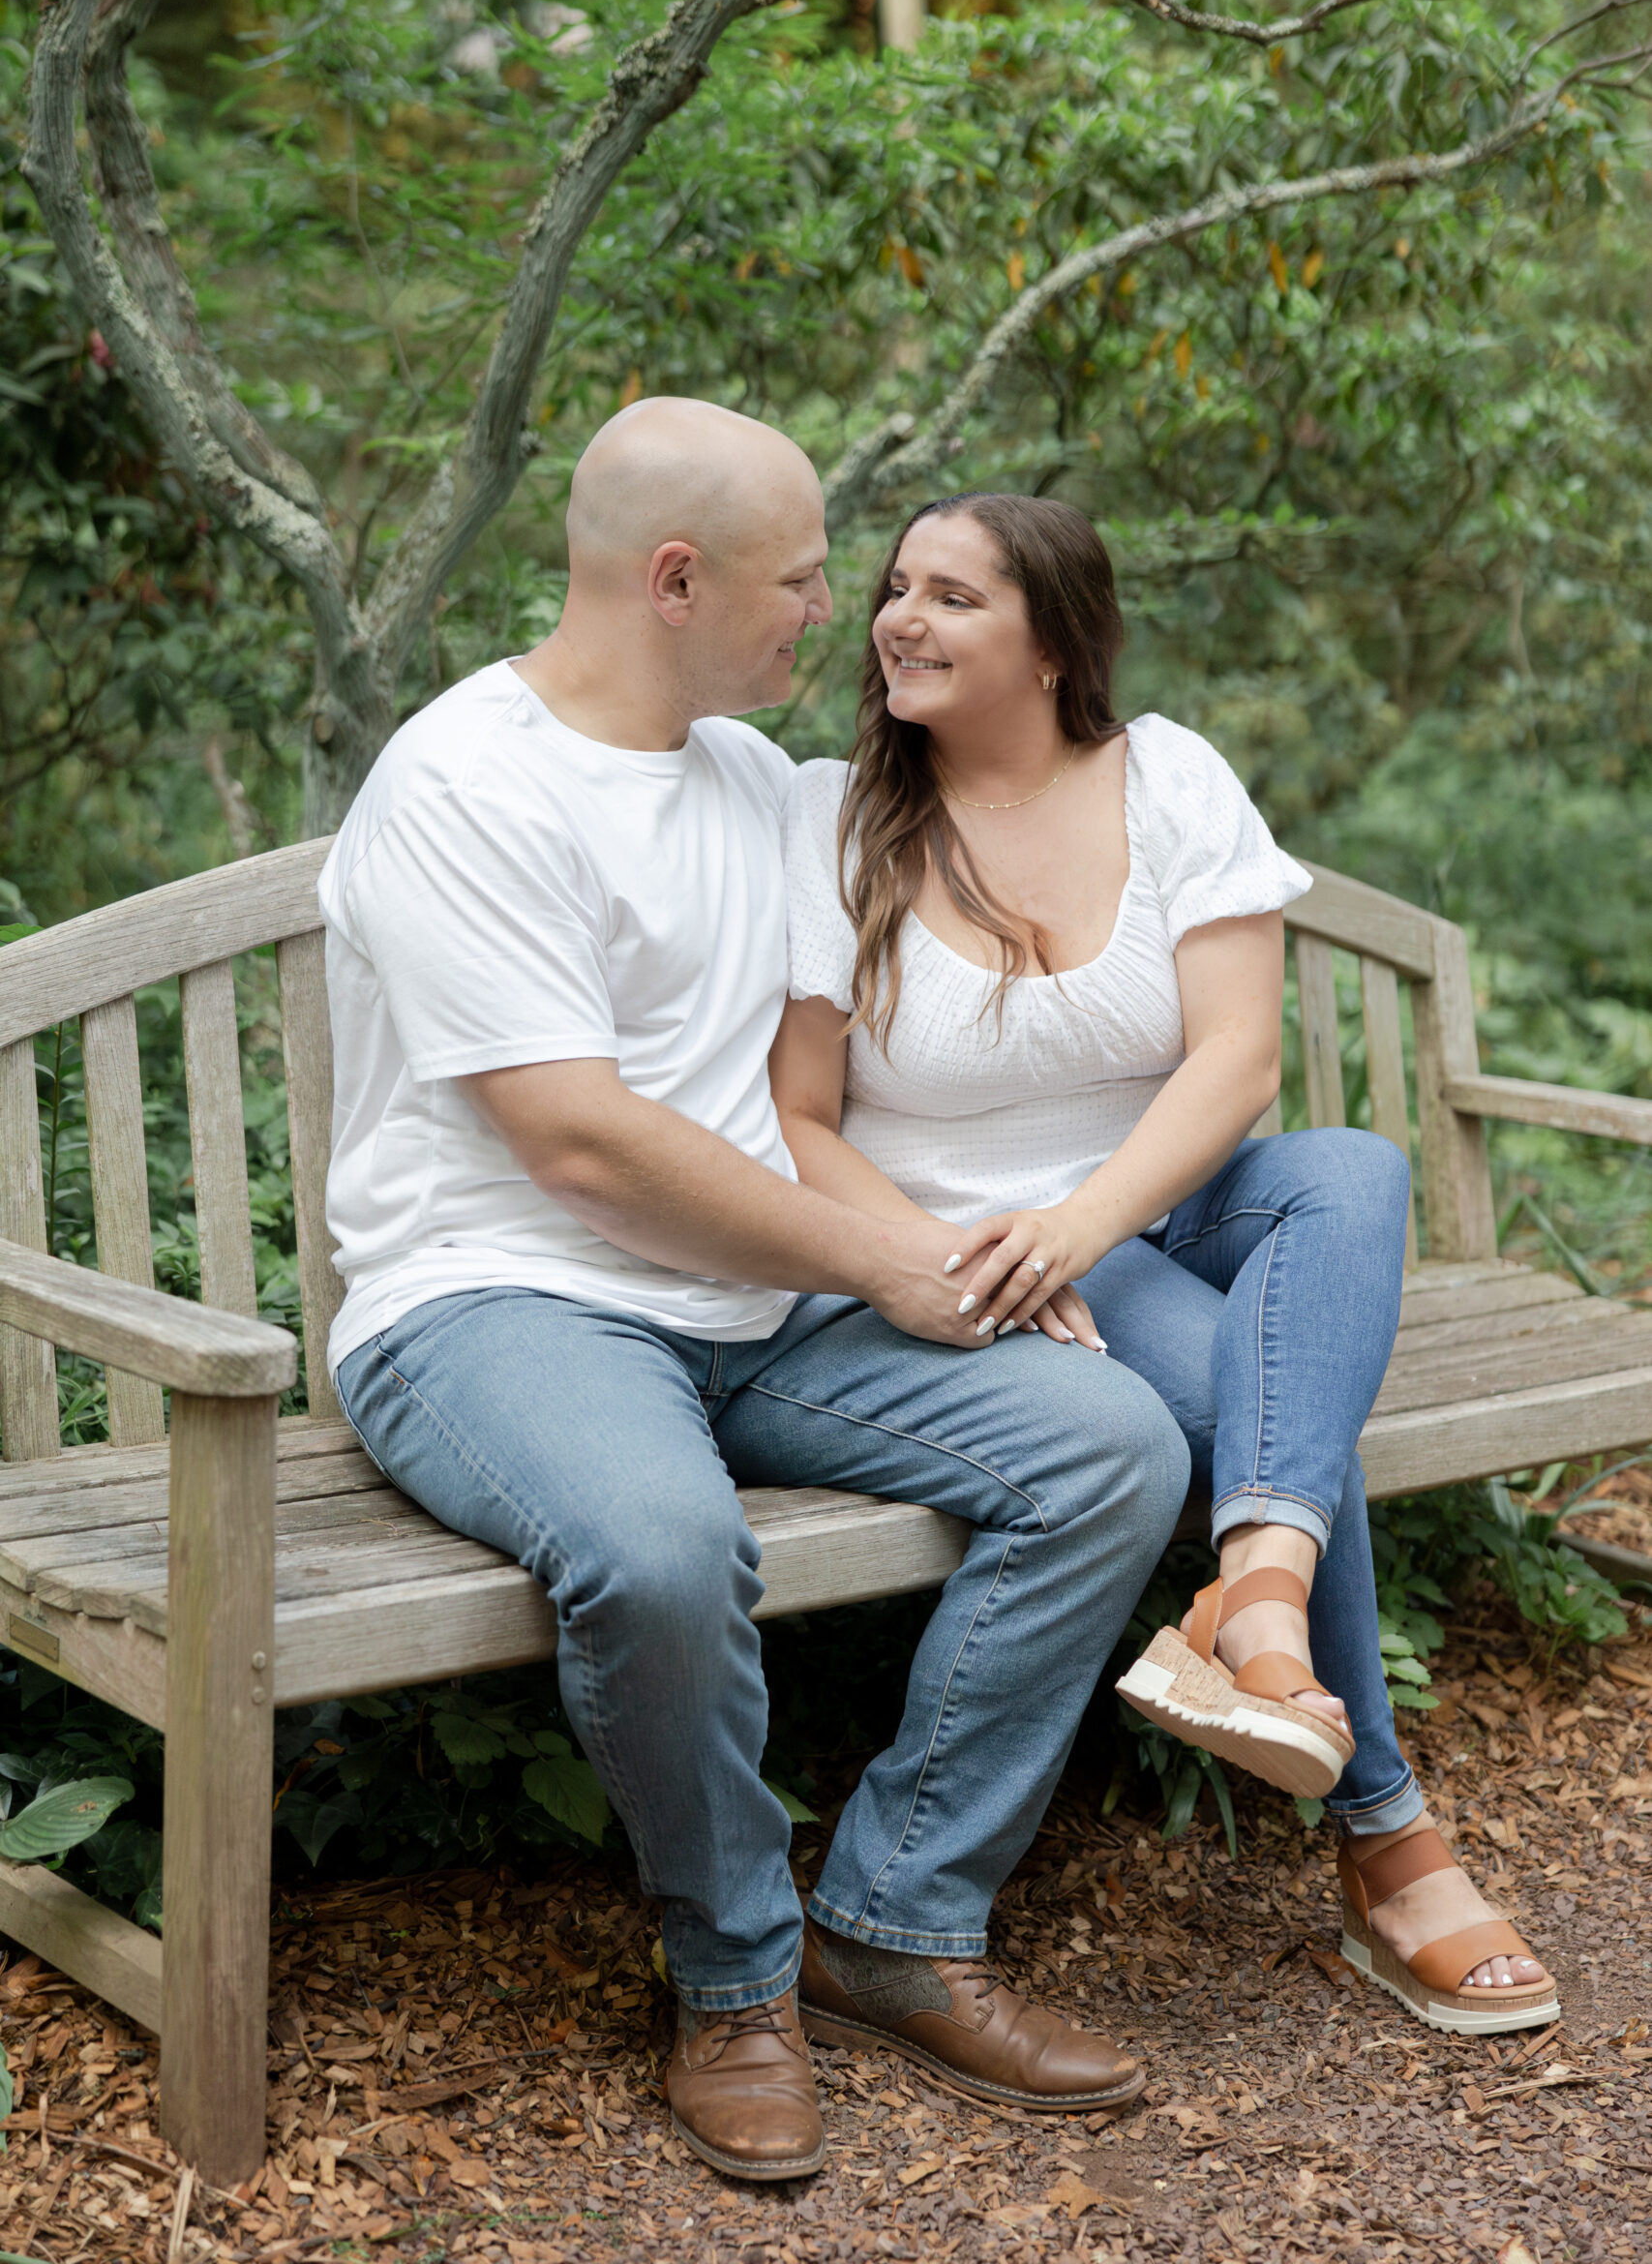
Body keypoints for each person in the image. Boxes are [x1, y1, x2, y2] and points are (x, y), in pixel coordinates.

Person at [318, 402, 1195, 2184]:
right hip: (500, 1303)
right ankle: (736, 1978)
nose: (836, 614)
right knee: (656, 1546)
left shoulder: (751, 777)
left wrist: (996, 1246)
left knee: (1111, 1444)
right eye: (804, 577)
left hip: (754, 1313)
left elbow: (878, 1021)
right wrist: (893, 1261)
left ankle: (899, 1918)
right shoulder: (465, 782)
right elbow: (577, 1142)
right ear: (674, 578)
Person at [770, 491, 1559, 2039]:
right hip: (964, 1245)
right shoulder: (837, 816)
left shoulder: (1170, 776)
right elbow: (798, 1117)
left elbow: (1238, 1062)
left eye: (952, 596)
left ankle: (1251, 1605)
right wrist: (964, 1255)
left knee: (1354, 1169)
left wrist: (1085, 1221)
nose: (899, 620)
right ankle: (1390, 1841)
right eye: (894, 590)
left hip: (1145, 1210)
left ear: (1054, 640)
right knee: (1265, 1417)